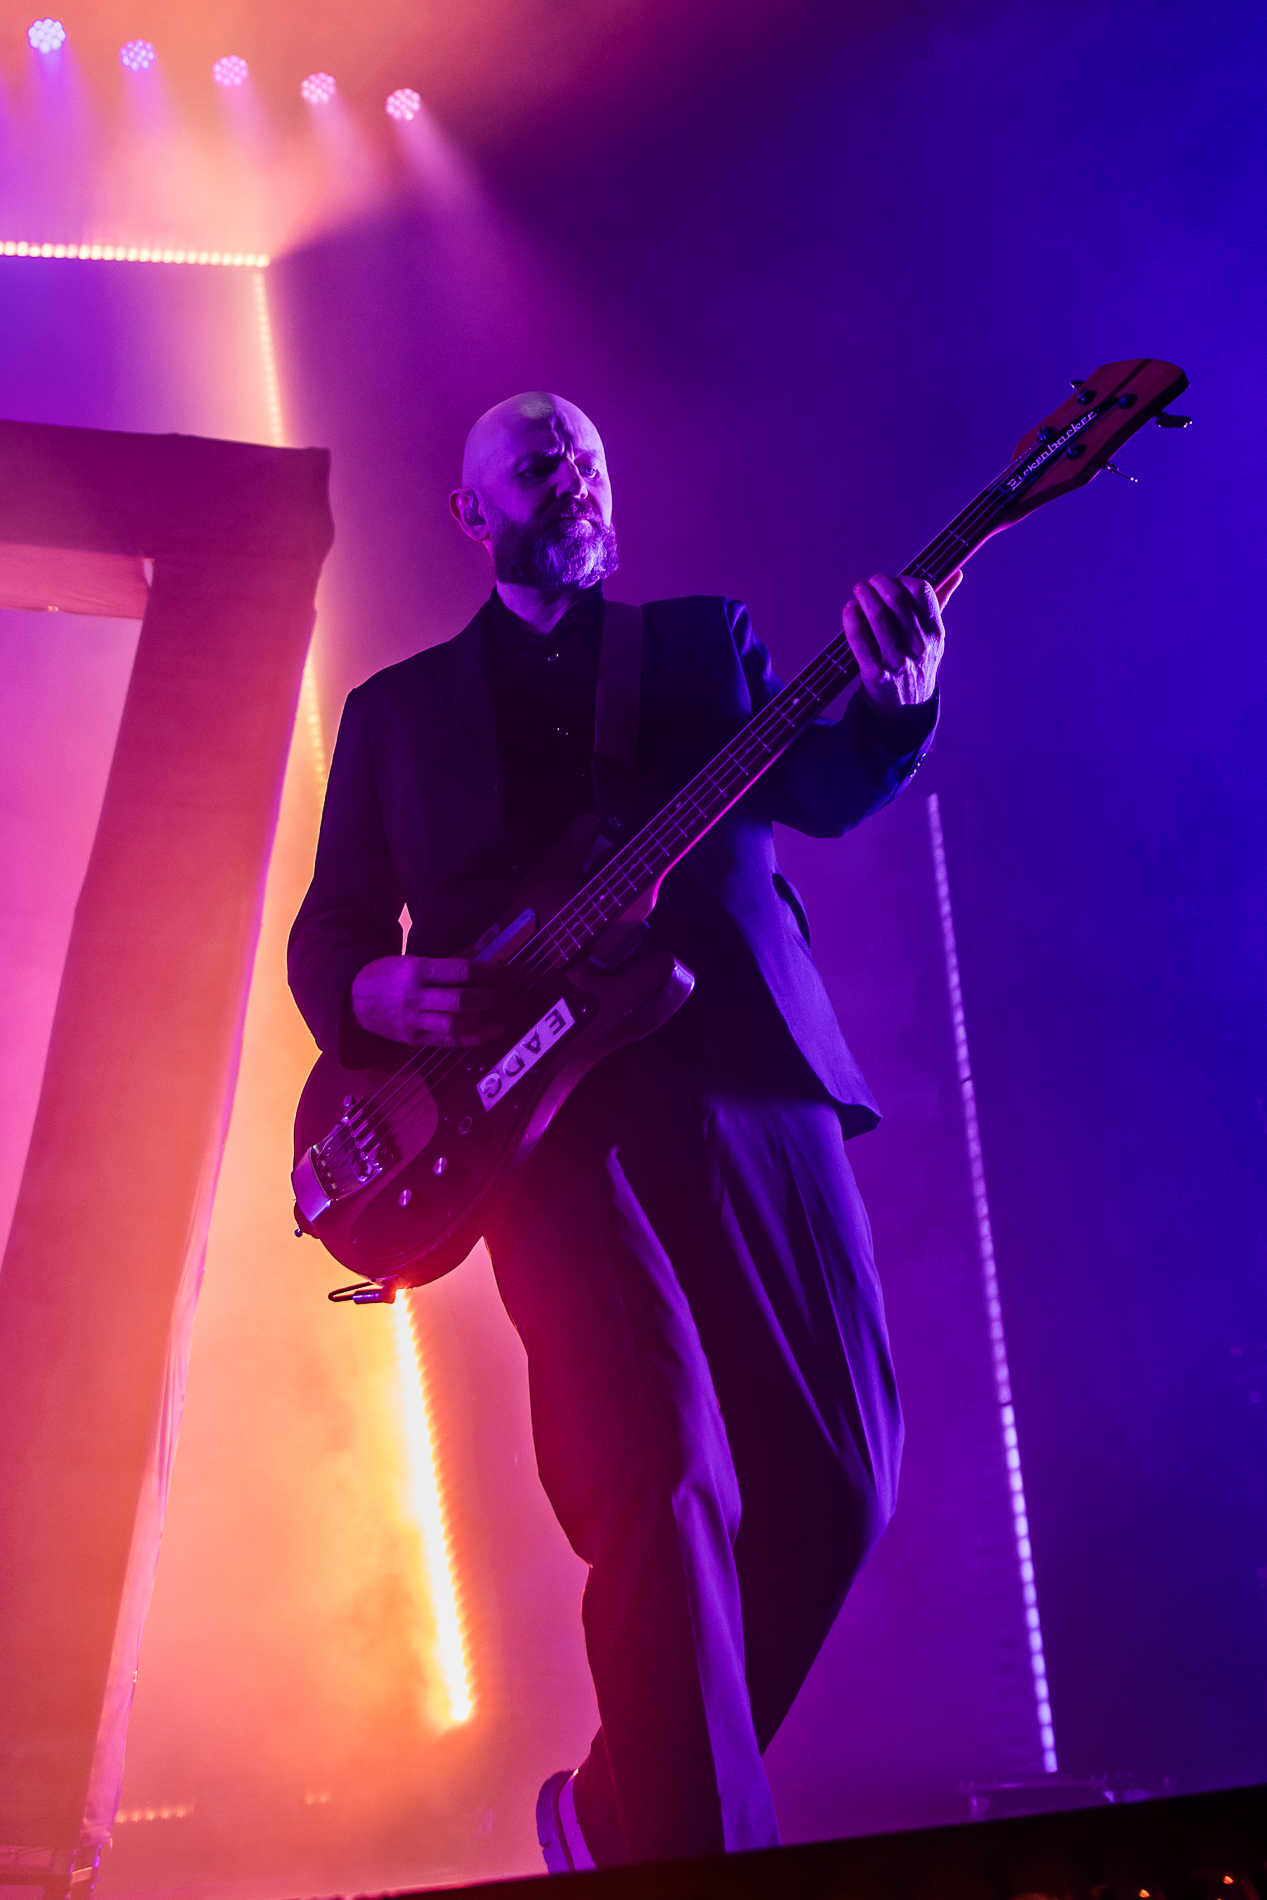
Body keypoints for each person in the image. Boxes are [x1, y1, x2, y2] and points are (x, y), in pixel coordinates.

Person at [288, 391, 959, 1870]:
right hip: (533, 1126)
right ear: (474, 514)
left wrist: (897, 704)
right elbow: (330, 931)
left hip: (743, 1074)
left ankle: (615, 1811)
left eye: (587, 456)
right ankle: (685, 1854)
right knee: (653, 1486)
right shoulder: (394, 714)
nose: (574, 475)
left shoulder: (701, 643)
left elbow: (824, 785)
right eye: (539, 462)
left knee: (842, 1484)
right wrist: (372, 989)